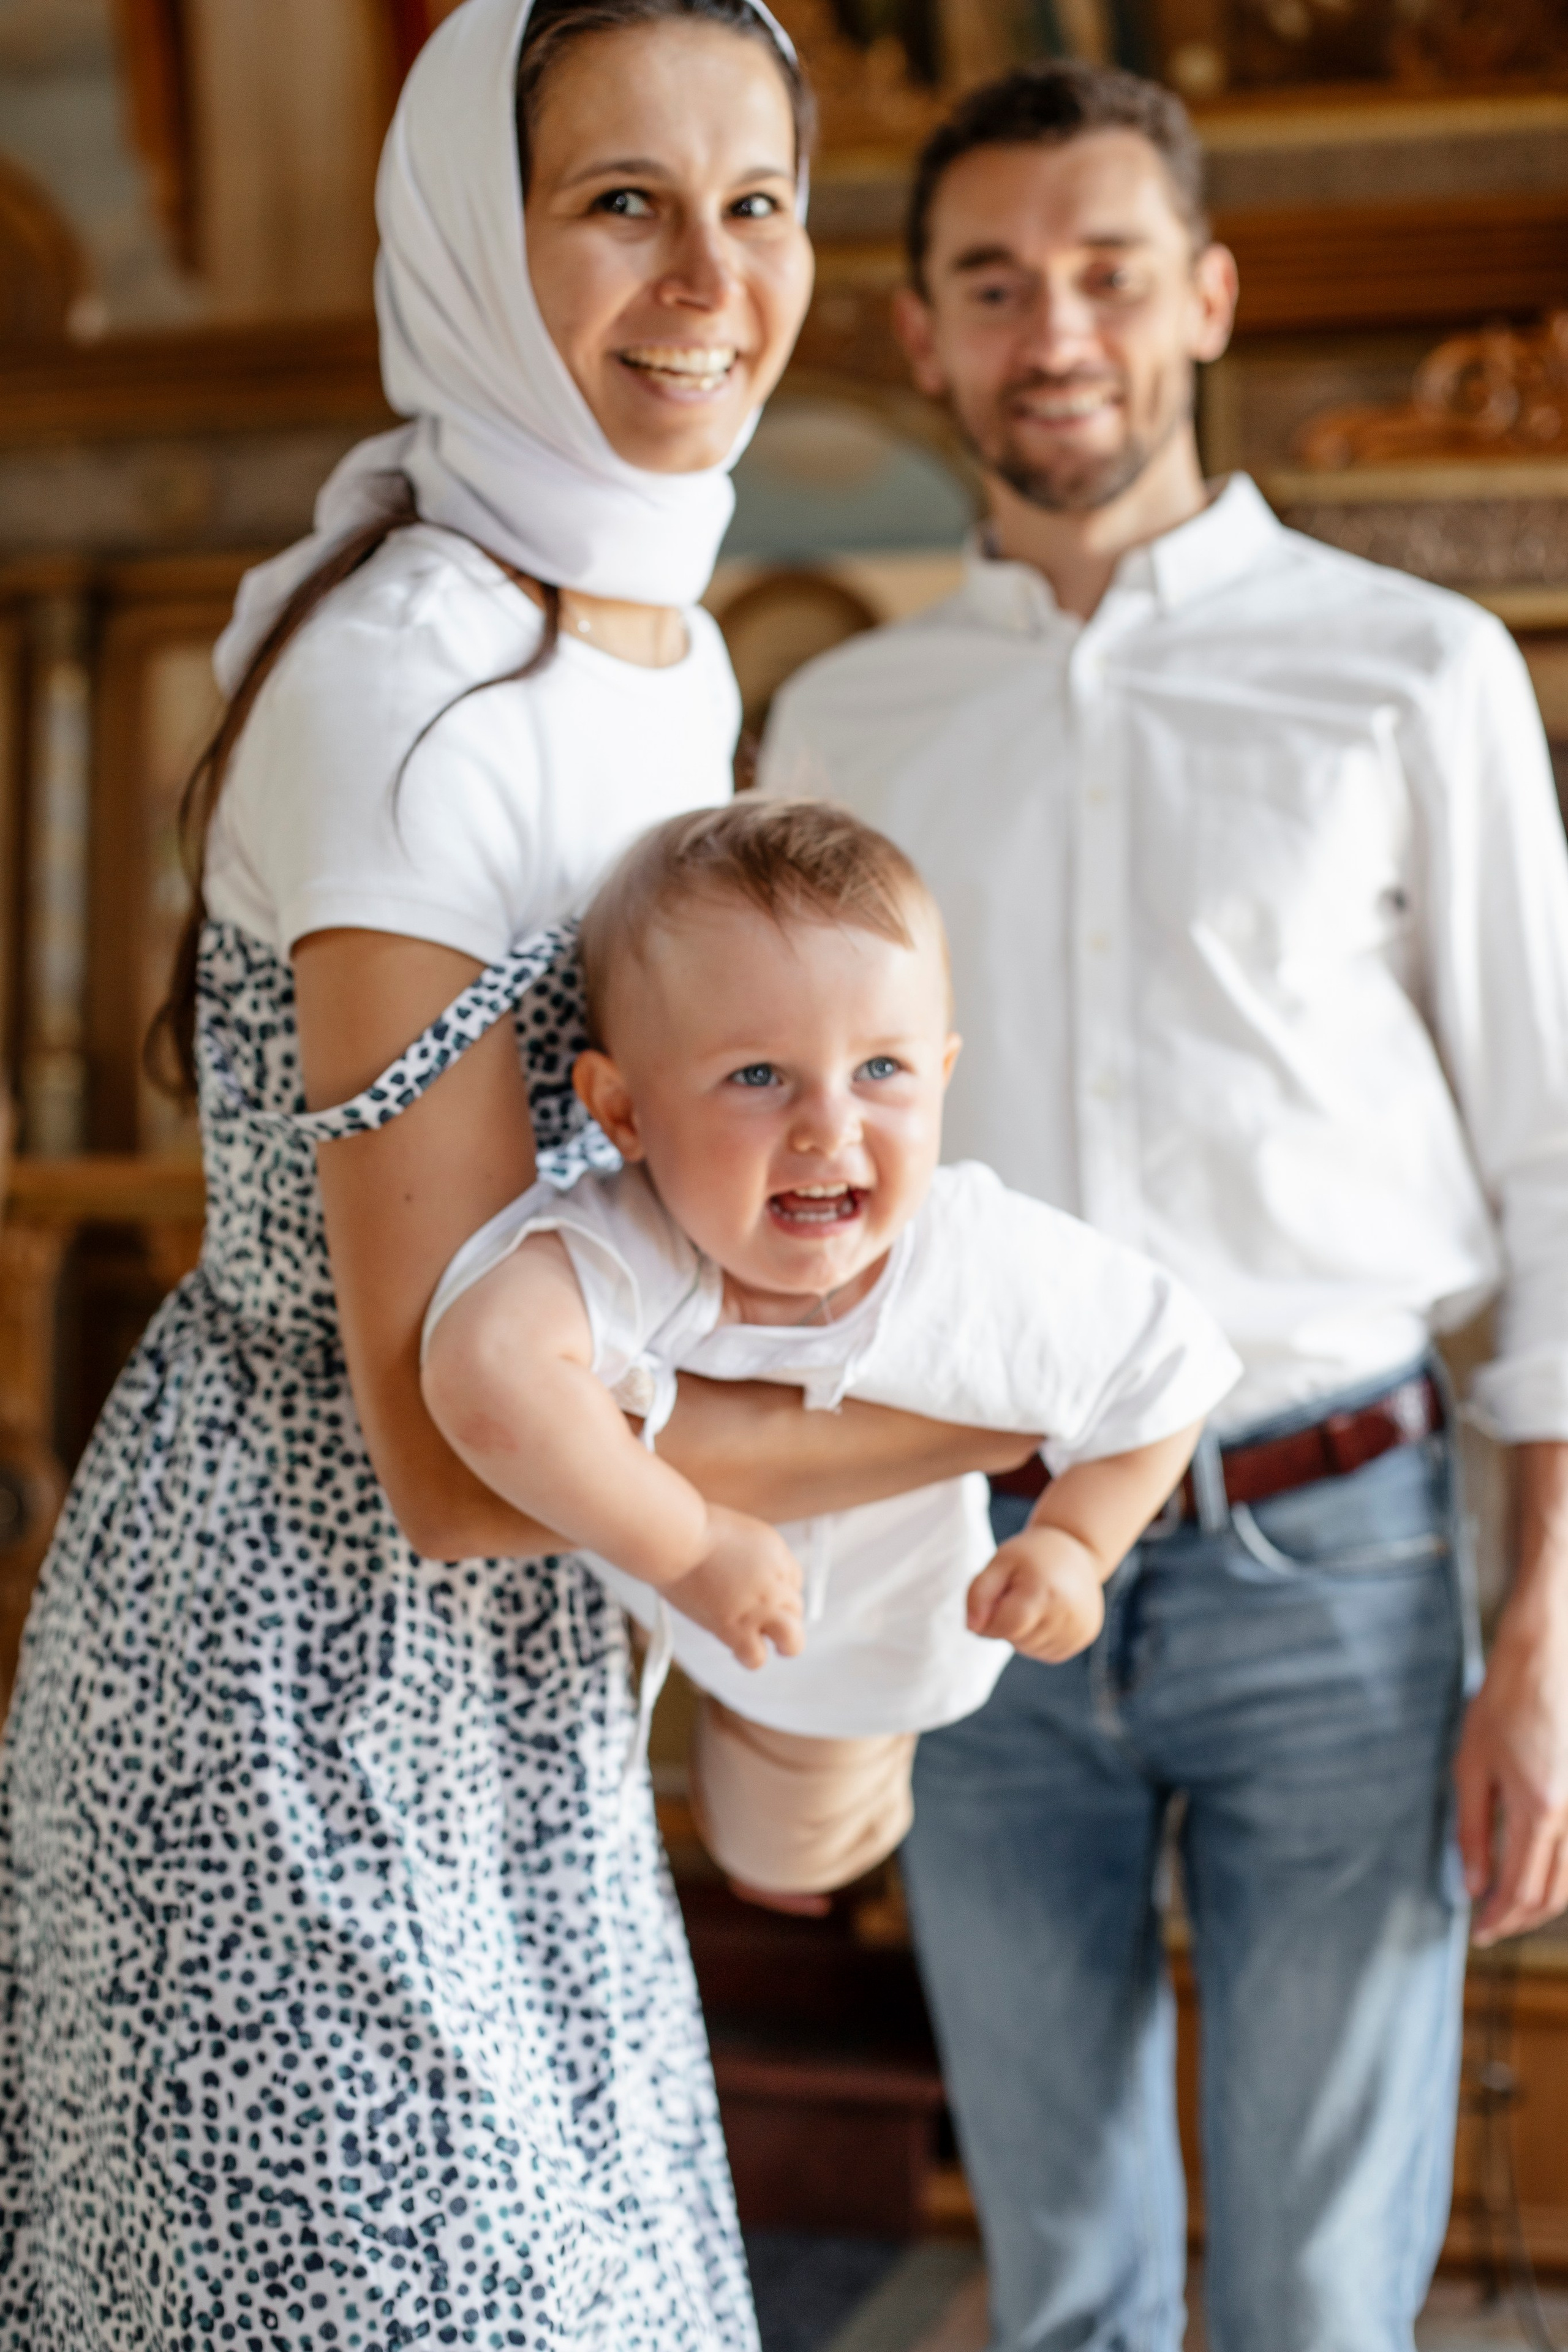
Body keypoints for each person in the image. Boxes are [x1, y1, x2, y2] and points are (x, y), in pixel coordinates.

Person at [0, 7, 1036, 2343]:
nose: (708, 281)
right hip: (284, 1679)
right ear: (480, 234)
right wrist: (1013, 1404)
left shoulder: (651, 650)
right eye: (620, 206)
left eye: (753, 203)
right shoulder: (414, 690)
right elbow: (456, 1460)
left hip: (511, 1716)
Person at [760, 60, 1568, 2352]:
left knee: (1322, 2300)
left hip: (1352, 1562)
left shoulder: (1418, 673)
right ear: (918, 334)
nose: (1058, 332)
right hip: (971, 1560)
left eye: (1109, 272)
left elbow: (1554, 1162)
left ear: (1204, 294)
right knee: (1068, 2289)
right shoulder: (842, 729)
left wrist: (1545, 1643)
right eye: (995, 283)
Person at [418, 798, 1240, 1901]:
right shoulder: (635, 1235)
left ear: (944, 1071)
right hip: (636, 1602)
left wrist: (1078, 1548)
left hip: (874, 1644)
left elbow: (1170, 1364)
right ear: (624, 1112)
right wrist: (688, 1545)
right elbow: (484, 1365)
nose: (829, 1127)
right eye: (759, 1076)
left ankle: (844, 1816)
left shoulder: (975, 1257)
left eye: (882, 1071)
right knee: (666, 1820)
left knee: (785, 1854)